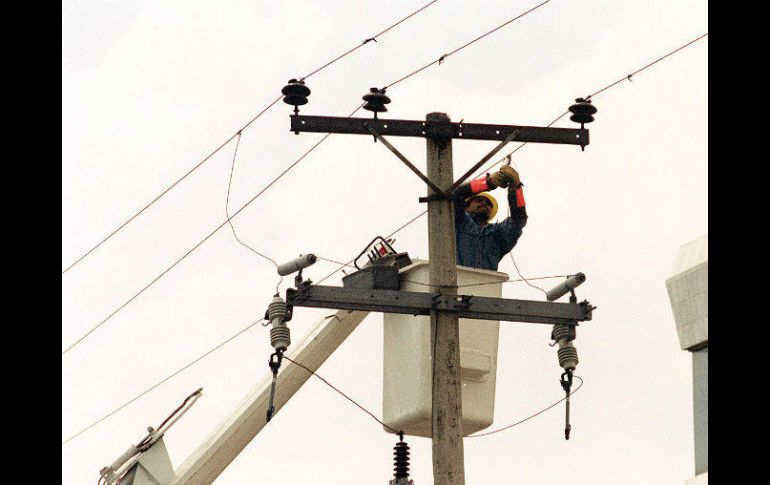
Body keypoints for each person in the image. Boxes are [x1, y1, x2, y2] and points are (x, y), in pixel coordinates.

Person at [452, 165, 527, 271]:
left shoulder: (497, 233)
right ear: (466, 206)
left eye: (488, 203)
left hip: (486, 285)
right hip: (456, 283)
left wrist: (516, 188)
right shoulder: (458, 221)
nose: (484, 203)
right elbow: (457, 195)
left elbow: (519, 220)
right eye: (478, 200)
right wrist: (489, 182)